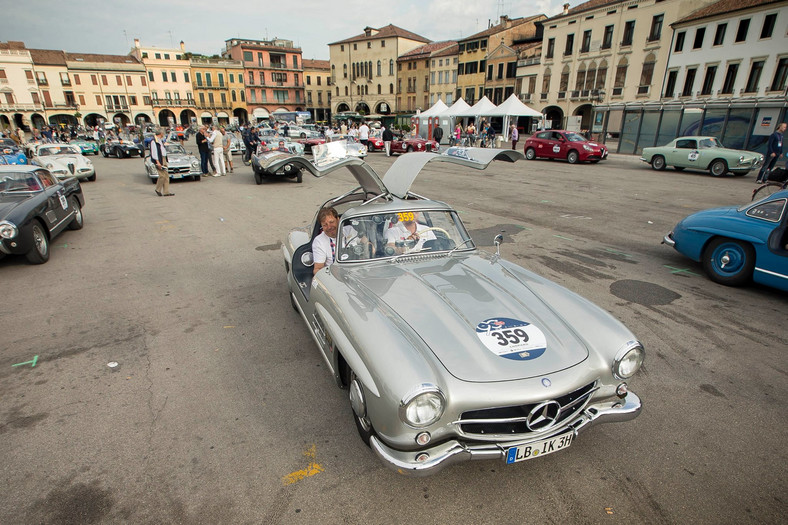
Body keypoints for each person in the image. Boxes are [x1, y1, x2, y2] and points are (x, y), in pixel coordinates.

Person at [312, 207, 340, 274]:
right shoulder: (319, 241)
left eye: (331, 222)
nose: (329, 227)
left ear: (338, 220)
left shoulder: (350, 231)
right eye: (325, 225)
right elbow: (317, 269)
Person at [150, 130, 173, 197]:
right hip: (159, 159)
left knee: (166, 175)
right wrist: (158, 162)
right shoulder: (154, 141)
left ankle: (166, 191)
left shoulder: (160, 140)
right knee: (162, 175)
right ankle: (158, 189)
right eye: (163, 133)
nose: (163, 135)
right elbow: (154, 152)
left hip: (163, 158)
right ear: (160, 133)